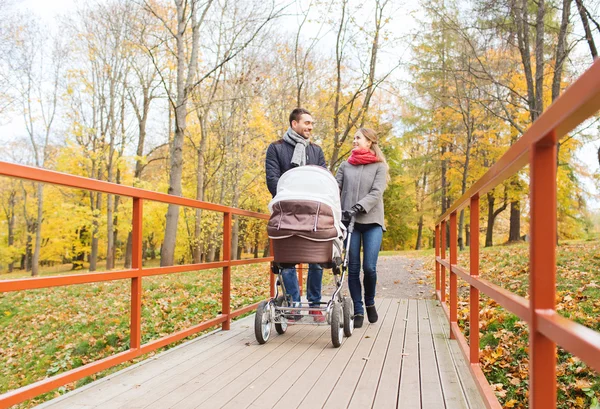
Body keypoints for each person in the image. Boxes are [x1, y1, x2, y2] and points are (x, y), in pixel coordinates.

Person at [265, 108, 326, 319]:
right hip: (286, 211)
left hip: (312, 213)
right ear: (294, 124)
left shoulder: (316, 151)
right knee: (287, 259)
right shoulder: (276, 148)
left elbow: (322, 179)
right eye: (306, 123)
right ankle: (293, 303)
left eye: (311, 123)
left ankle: (315, 304)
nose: (310, 127)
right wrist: (289, 198)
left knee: (316, 259)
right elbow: (272, 179)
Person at [335, 128, 388, 328]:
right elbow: (335, 188)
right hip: (350, 223)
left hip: (372, 221)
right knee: (354, 268)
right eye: (354, 138)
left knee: (369, 268)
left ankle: (370, 302)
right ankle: (358, 310)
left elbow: (376, 192)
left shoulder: (379, 166)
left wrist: (358, 206)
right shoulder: (345, 165)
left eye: (358, 138)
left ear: (369, 141)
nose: (354, 141)